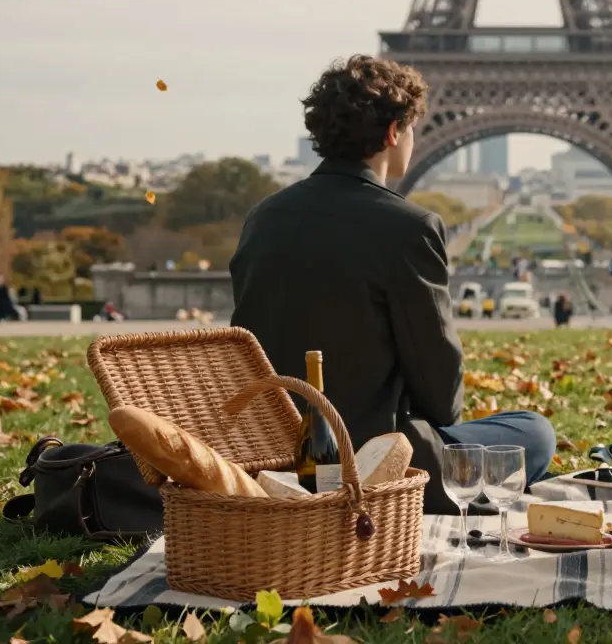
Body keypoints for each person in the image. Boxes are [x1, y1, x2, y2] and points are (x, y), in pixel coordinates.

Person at [229, 55, 555, 515]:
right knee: (534, 431)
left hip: (271, 453)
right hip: (376, 463)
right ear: (392, 133)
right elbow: (440, 391)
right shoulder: (409, 227)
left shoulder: (262, 218)